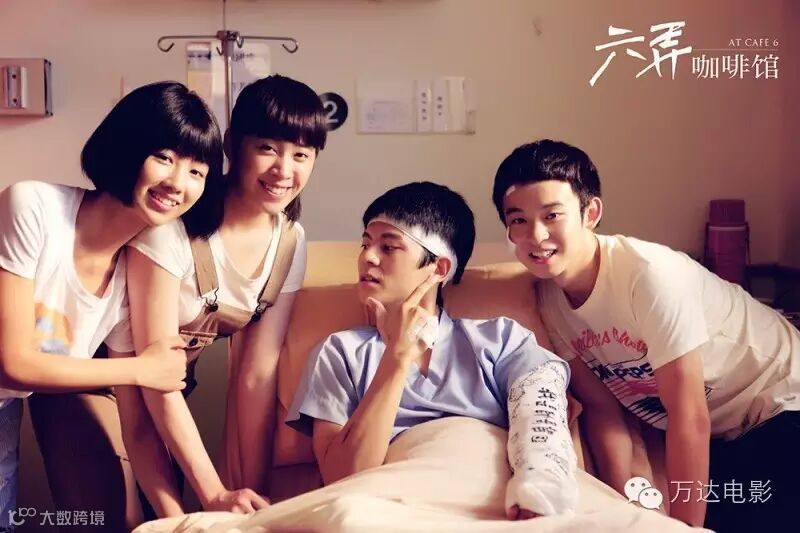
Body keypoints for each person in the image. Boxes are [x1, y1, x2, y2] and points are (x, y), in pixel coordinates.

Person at [491, 139, 800, 531]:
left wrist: (684, 530)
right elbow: (604, 411)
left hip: (782, 405)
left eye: (552, 215)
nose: (536, 235)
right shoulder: (549, 302)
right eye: (518, 220)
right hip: (728, 438)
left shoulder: (649, 276)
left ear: (591, 213)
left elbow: (689, 415)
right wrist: (624, 506)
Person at [0, 81, 222, 532]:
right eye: (164, 157)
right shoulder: (33, 206)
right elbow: (14, 363)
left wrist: (181, 521)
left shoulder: (130, 278)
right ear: (127, 147)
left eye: (197, 171)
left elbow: (136, 428)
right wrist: (141, 369)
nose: (178, 183)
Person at [287, 181, 578, 519]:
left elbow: (545, 432)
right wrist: (396, 359)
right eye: (365, 243)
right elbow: (342, 478)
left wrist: (538, 494)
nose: (367, 256)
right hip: (393, 509)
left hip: (500, 505)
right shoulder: (340, 352)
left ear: (439, 268)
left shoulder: (502, 342)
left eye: (388, 246)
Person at [118, 74, 327, 519]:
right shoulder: (173, 224)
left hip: (170, 389)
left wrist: (252, 500)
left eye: (301, 154)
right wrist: (212, 494)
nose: (284, 170)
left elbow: (256, 376)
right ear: (232, 145)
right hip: (102, 380)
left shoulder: (290, 240)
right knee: (123, 513)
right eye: (267, 148)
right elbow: (149, 377)